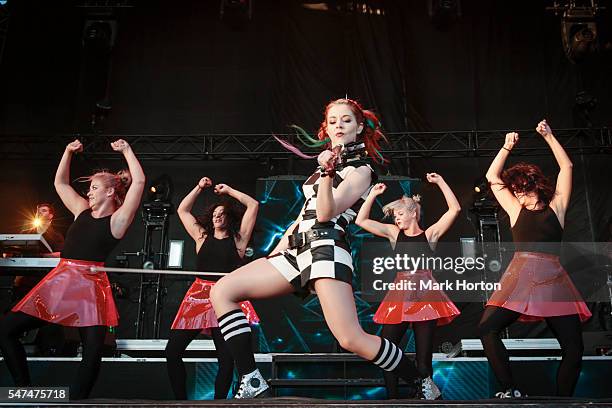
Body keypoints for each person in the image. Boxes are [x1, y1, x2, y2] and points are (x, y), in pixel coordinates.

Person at [209, 98, 435, 399]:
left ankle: (421, 383)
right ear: (325, 128)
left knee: (351, 338)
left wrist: (328, 173)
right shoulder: (325, 167)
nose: (339, 125)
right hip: (296, 248)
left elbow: (326, 214)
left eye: (346, 120)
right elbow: (307, 212)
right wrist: (278, 248)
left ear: (358, 127)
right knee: (222, 291)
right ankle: (251, 379)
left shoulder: (361, 170)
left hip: (327, 249)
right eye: (332, 121)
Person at [0, 138, 145, 399]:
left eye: (94, 188)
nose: (89, 192)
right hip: (61, 282)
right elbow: (61, 184)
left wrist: (126, 151)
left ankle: (77, 402)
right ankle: (25, 389)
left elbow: (140, 183)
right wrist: (67, 151)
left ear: (110, 192)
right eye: (89, 188)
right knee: (5, 329)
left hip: (89, 287)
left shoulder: (118, 220)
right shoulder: (81, 210)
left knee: (92, 349)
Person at [480, 120, 591, 398]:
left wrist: (550, 137)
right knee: (487, 329)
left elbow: (567, 168)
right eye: (515, 190)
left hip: (552, 280)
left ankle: (563, 401)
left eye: (521, 189)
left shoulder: (557, 207)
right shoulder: (516, 210)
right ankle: (510, 389)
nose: (517, 195)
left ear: (533, 186)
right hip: (521, 276)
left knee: (574, 347)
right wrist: (506, 147)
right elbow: (492, 177)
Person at [355, 175, 461, 399]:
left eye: (400, 214)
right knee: (387, 350)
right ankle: (392, 399)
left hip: (425, 297)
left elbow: (454, 209)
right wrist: (372, 194)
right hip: (399, 296)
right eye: (395, 216)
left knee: (424, 358)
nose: (397, 220)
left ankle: (424, 397)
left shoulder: (429, 235)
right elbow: (361, 221)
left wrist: (441, 182)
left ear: (414, 213)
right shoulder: (395, 235)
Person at [165, 178, 259, 400]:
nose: (217, 216)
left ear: (229, 218)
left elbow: (253, 205)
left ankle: (218, 404)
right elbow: (183, 209)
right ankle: (180, 402)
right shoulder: (201, 236)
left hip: (224, 298)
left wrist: (229, 190)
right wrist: (198, 187)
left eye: (222, 213)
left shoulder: (239, 241)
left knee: (226, 359)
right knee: (172, 352)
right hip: (197, 297)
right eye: (215, 213)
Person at [12, 203, 65, 303]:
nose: (39, 213)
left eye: (44, 210)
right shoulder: (25, 233)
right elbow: (16, 254)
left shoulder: (56, 236)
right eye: (38, 211)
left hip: (45, 278)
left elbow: (61, 254)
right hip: (24, 280)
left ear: (51, 216)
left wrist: (40, 256)